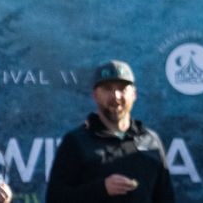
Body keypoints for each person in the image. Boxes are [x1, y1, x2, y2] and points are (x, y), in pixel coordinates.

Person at [46, 60, 174, 203]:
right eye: (108, 88)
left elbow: (166, 197)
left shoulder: (151, 141)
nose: (116, 96)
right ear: (95, 95)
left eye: (122, 88)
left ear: (134, 94)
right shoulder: (76, 142)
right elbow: (55, 198)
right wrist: (101, 189)